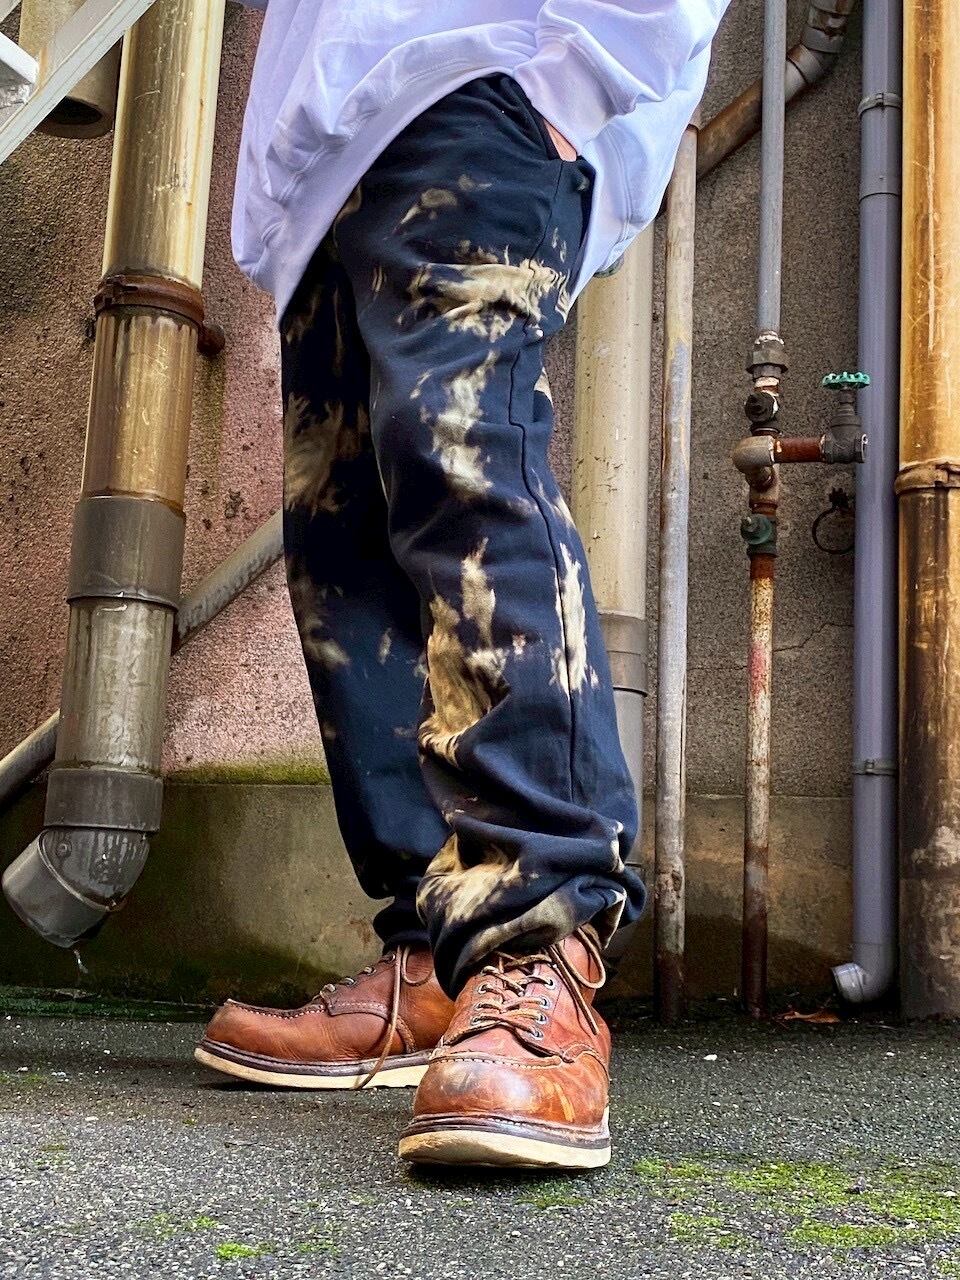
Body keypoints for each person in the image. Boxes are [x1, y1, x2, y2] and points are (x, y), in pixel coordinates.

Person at [196, 0, 729, 1169]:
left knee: (465, 465)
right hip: (333, 143)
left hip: (488, 67)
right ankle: (431, 952)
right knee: (345, 548)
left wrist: (575, 73)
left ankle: (540, 936)